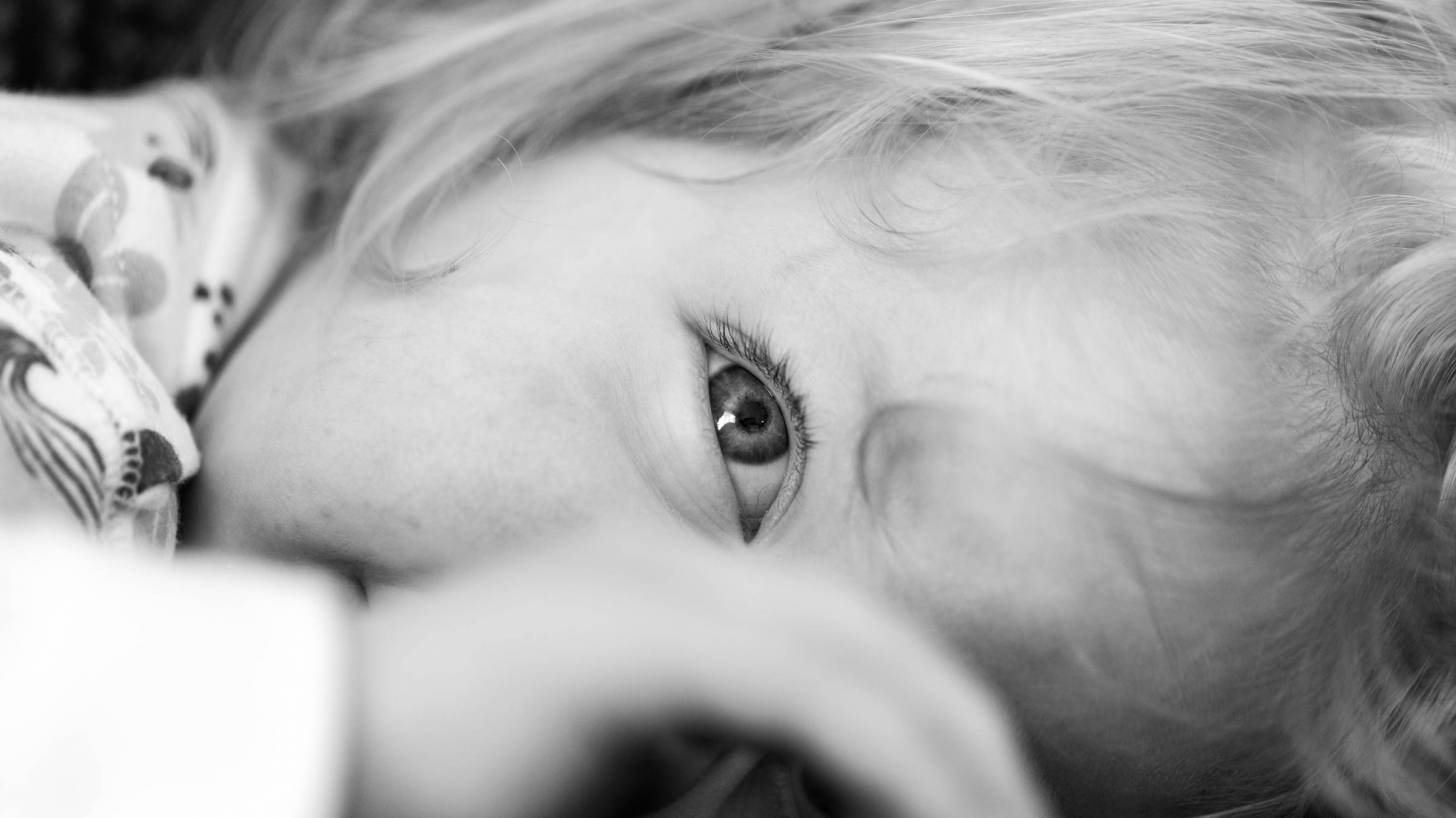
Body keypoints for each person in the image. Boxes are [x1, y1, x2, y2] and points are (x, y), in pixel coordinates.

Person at [8, 0, 1456, 816]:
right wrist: (328, 734)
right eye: (746, 424)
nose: (651, 680)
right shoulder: (50, 310)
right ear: (583, 112)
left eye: (830, 772)